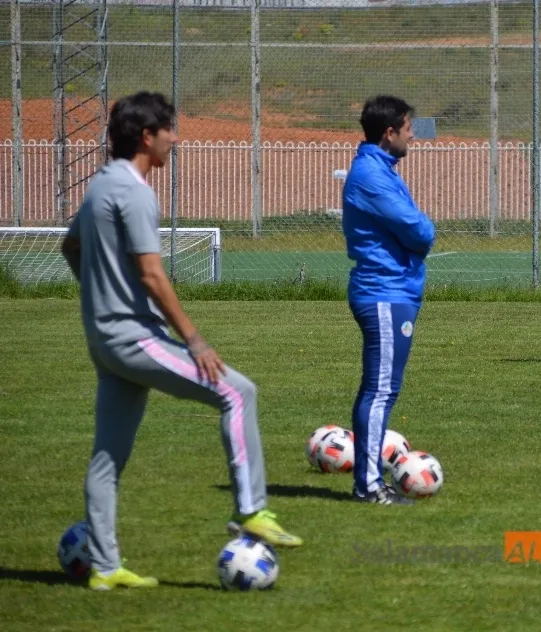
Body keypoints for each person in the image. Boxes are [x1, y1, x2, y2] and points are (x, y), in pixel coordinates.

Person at [60, 92, 301, 591]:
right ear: (147, 136)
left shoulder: (100, 184)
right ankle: (251, 510)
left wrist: (99, 297)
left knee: (107, 458)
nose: (176, 138)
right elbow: (152, 275)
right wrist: (194, 340)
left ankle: (104, 569)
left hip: (104, 338)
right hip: (132, 336)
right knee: (238, 392)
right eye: (170, 129)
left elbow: (71, 246)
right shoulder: (134, 191)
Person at [342, 95, 436, 505]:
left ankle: (369, 482)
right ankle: (368, 486)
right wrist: (425, 230)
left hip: (395, 291)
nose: (412, 136)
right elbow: (418, 230)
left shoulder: (381, 169)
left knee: (381, 389)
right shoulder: (371, 176)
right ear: (389, 132)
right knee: (380, 392)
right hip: (383, 292)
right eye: (408, 129)